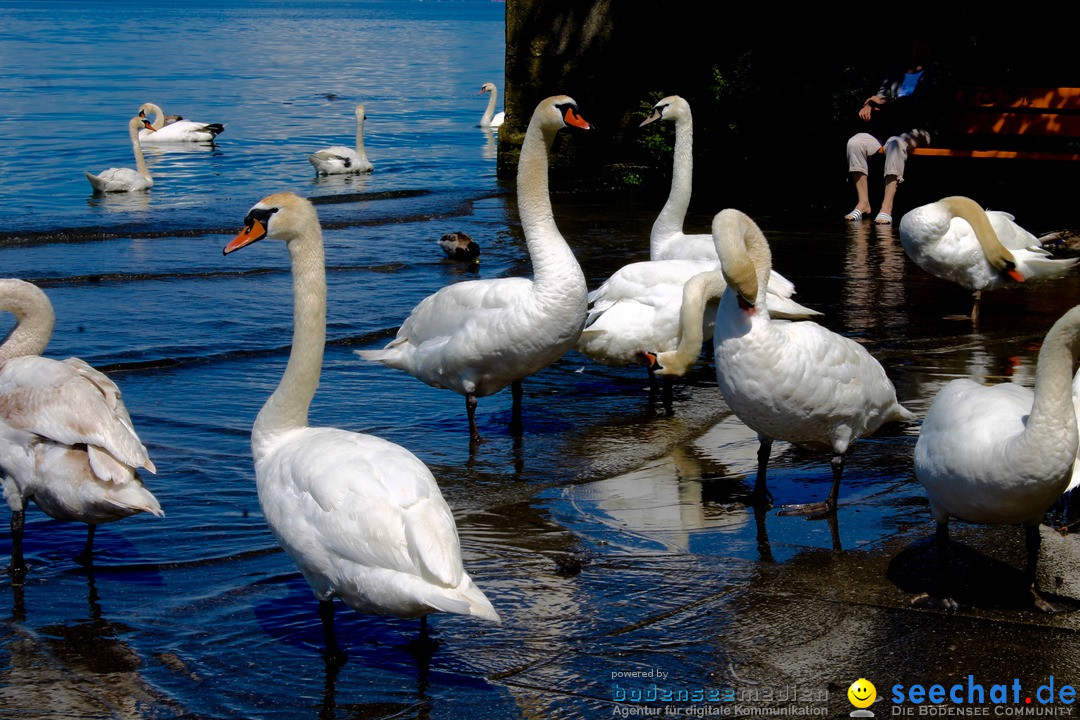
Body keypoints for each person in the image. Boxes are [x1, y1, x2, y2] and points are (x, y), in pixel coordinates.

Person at [844, 35, 939, 225]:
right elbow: (881, 93)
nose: (928, 48)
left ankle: (887, 206)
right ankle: (863, 203)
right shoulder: (897, 69)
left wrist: (885, 103)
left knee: (895, 144)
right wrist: (870, 106)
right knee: (855, 143)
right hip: (886, 128)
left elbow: (920, 103)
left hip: (918, 130)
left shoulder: (934, 73)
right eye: (924, 42)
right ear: (915, 44)